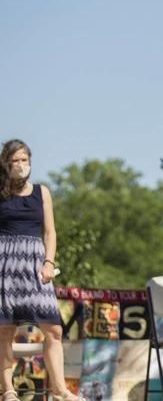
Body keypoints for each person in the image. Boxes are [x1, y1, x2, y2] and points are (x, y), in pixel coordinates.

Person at [0, 140, 85, 401]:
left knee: (54, 329)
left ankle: (59, 389)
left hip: (36, 264)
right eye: (15, 160)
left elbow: (50, 231)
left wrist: (49, 262)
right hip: (5, 262)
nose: (21, 165)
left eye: (24, 159)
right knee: (4, 329)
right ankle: (8, 391)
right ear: (6, 164)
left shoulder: (42, 192)